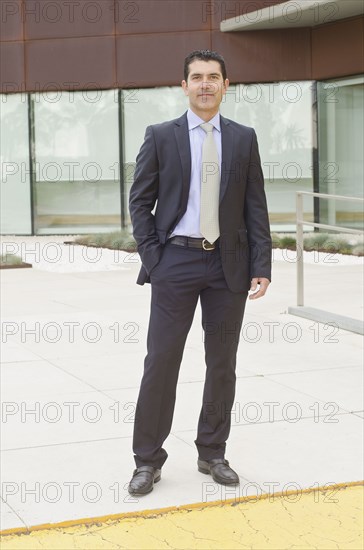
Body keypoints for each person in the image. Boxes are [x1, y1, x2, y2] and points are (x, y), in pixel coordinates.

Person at [128, 50, 272, 496]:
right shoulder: (161, 136)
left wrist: (261, 264)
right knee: (161, 362)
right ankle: (147, 460)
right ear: (184, 86)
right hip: (176, 262)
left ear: (226, 85)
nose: (205, 84)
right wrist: (155, 257)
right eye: (197, 77)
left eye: (213, 77)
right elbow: (140, 202)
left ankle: (212, 452)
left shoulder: (244, 138)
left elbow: (255, 206)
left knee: (222, 364)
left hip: (228, 265)